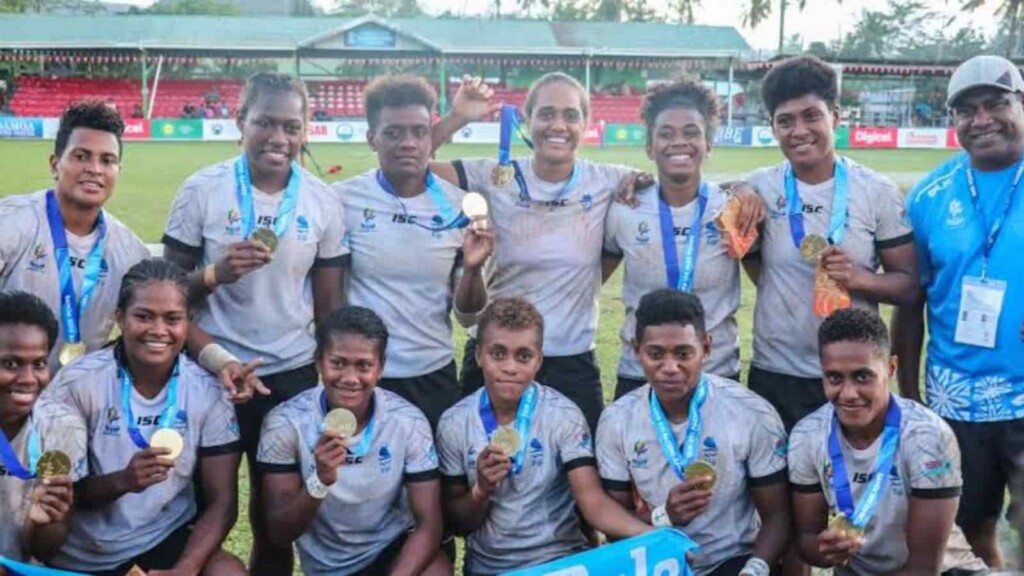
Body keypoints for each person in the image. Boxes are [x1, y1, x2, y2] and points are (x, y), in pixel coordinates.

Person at [162, 72, 347, 575]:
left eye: (292, 126)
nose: (278, 138)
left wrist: (328, 389)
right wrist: (215, 274)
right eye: (265, 122)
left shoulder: (322, 201)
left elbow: (329, 308)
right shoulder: (202, 190)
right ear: (240, 121)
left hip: (285, 379)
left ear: (307, 129)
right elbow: (164, 294)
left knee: (274, 522)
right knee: (198, 513)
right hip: (206, 374)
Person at [427, 73, 642, 432]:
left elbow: (679, 183)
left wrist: (741, 190)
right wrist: (458, 117)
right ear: (528, 121)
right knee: (480, 471)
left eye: (571, 115)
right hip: (496, 356)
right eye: (546, 114)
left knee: (579, 476)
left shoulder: (607, 179)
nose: (558, 125)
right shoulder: (493, 175)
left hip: (570, 361)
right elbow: (410, 166)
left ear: (585, 124)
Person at [894, 54, 1024, 568]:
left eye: (996, 103)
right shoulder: (928, 195)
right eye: (966, 110)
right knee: (971, 525)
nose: (982, 118)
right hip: (955, 401)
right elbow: (910, 301)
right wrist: (908, 396)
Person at [744, 55, 918, 431]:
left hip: (853, 375)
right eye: (785, 121)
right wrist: (739, 188)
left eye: (811, 116)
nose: (799, 130)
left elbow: (910, 285)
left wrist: (861, 278)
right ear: (773, 128)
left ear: (835, 117)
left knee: (849, 485)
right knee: (776, 489)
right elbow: (712, 197)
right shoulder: (759, 185)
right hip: (776, 372)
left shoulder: (877, 192)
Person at [45, 259, 246, 576]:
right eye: (143, 316)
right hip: (83, 551)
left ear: (187, 323)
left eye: (172, 319)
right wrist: (122, 482)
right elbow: (56, 492)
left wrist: (184, 570)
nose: (158, 330)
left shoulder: (208, 390)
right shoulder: (78, 382)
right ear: (120, 318)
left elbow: (223, 503)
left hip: (160, 537)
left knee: (227, 571)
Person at [437, 297, 652, 576]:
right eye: (498, 354)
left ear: (538, 359)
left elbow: (592, 503)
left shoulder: (563, 415)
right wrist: (481, 490)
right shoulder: (455, 423)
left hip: (560, 563)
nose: (510, 367)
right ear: (479, 355)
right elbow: (458, 524)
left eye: (523, 356)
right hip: (491, 568)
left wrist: (656, 537)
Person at [332, 75, 492, 429]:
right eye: (393, 133)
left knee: (435, 484)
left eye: (419, 132)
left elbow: (467, 317)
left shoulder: (458, 209)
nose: (408, 143)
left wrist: (474, 270)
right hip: (362, 376)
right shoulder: (342, 201)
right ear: (371, 138)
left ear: (429, 138)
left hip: (432, 374)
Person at [596, 289, 791, 576]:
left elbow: (778, 515)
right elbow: (615, 523)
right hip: (657, 559)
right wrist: (664, 517)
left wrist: (755, 569)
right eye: (655, 354)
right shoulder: (617, 420)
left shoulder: (752, 413)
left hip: (733, 561)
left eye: (684, 353)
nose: (670, 367)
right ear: (636, 350)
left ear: (707, 348)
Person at [789, 308, 987, 575]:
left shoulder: (927, 436)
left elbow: (923, 568)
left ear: (891, 368)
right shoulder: (806, 436)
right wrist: (825, 550)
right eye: (835, 377)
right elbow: (807, 540)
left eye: (862, 376)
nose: (848, 393)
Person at [257, 305, 448, 576]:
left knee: (436, 570)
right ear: (319, 362)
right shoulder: (285, 423)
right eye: (338, 363)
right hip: (328, 567)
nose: (350, 378)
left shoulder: (408, 422)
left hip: (389, 551)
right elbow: (279, 533)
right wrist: (319, 482)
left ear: (380, 368)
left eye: (363, 366)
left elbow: (429, 524)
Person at [603, 79, 743, 399]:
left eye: (692, 133)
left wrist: (742, 188)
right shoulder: (625, 209)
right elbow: (591, 279)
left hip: (716, 374)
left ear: (709, 143)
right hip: (641, 375)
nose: (678, 142)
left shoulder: (733, 209)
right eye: (666, 134)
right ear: (650, 147)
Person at [0, 100, 149, 371]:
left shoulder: (131, 251)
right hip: (9, 390)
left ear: (118, 171)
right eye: (81, 156)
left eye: (107, 160)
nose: (95, 169)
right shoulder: (11, 223)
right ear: (55, 164)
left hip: (77, 398)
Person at [0, 291, 87, 565]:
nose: (29, 379)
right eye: (10, 363)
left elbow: (44, 550)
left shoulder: (63, 428)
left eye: (38, 364)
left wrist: (46, 521)